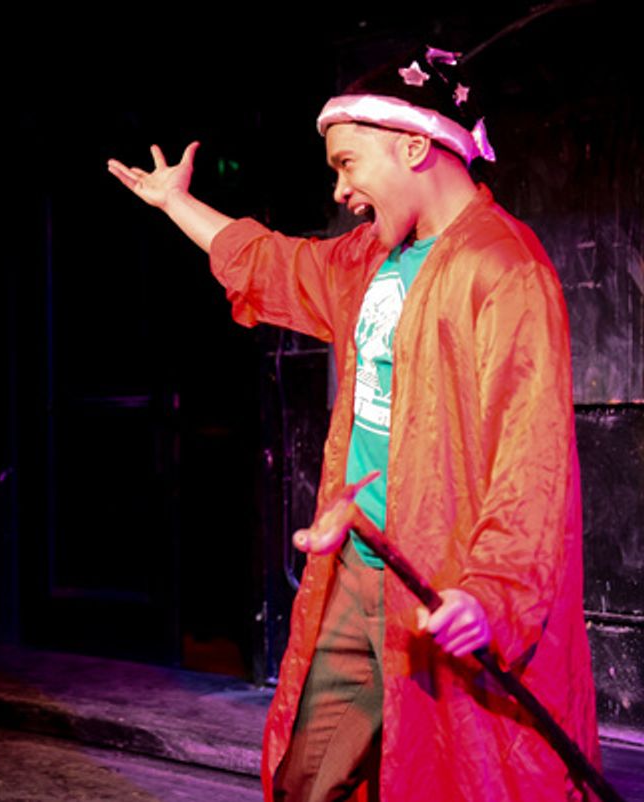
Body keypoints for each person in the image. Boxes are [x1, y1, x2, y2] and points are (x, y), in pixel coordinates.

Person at [108, 47, 598, 801]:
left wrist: (491, 592)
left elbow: (530, 462)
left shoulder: (504, 269)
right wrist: (177, 203)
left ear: (412, 145)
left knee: (454, 777)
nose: (340, 190)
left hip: (441, 590)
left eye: (346, 163)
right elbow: (273, 265)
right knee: (309, 779)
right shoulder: (372, 259)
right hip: (360, 566)